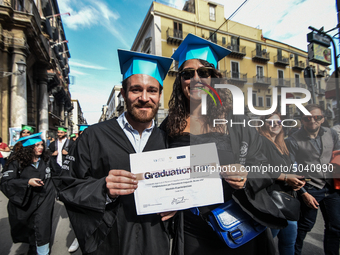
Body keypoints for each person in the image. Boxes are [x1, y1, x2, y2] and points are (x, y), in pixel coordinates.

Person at [162, 33, 287, 255]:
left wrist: (246, 175)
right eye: (187, 74)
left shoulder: (235, 119)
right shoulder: (169, 125)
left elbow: (264, 163)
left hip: (236, 223)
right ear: (180, 81)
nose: (196, 79)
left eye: (205, 72)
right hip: (191, 227)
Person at [55, 50, 175, 254]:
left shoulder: (167, 139)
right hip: (110, 241)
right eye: (136, 89)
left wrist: (175, 203)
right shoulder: (94, 136)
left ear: (160, 95)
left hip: (155, 240)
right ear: (123, 94)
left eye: (152, 90)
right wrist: (103, 189)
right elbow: (67, 186)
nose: (145, 98)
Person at [285, 104, 340, 255]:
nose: (313, 121)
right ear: (302, 120)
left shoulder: (332, 133)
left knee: (335, 226)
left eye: (317, 117)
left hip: (331, 187)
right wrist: (303, 192)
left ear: (323, 119)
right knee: (304, 226)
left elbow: (337, 155)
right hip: (310, 188)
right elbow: (290, 169)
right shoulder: (292, 139)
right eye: (307, 118)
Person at [0, 133, 55, 255]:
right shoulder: (15, 162)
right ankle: (32, 246)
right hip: (25, 200)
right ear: (28, 148)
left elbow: (59, 175)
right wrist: (27, 182)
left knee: (42, 227)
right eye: (36, 145)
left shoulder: (46, 159)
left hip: (44, 199)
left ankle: (43, 252)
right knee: (28, 227)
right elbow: (5, 182)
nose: (40, 147)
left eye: (41, 145)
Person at [258, 112, 305, 255]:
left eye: (278, 122)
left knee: (289, 243)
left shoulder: (282, 145)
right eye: (270, 122)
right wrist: (286, 178)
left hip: (288, 201)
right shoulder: (260, 141)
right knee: (268, 246)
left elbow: (290, 170)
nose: (275, 125)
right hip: (271, 202)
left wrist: (297, 183)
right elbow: (259, 168)